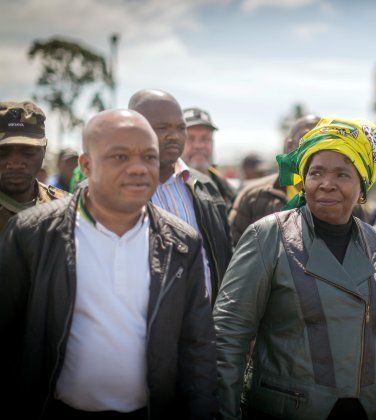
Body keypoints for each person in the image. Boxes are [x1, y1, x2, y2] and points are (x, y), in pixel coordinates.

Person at [0, 109, 217, 418]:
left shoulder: (183, 243)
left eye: (149, 157)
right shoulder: (32, 234)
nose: (139, 169)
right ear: (86, 165)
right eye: (120, 157)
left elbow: (197, 347)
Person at [214, 117, 376, 419]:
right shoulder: (267, 236)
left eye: (342, 174)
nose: (326, 183)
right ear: (302, 180)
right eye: (316, 172)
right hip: (290, 409)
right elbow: (229, 334)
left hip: (370, 410)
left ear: (361, 187)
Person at [129, 89, 232, 304]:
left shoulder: (205, 187)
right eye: (163, 128)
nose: (174, 135)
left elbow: (225, 262)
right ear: (136, 130)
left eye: (180, 128)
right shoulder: (113, 191)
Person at [228, 115, 320, 246]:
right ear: (289, 146)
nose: (313, 146)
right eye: (305, 138)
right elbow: (234, 249)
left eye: (321, 140)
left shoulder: (341, 198)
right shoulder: (254, 196)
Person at [0, 101, 66, 232]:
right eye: (2, 152)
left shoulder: (65, 209)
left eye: (27, 151)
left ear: (44, 149)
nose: (15, 163)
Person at [182, 106, 236, 208]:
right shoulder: (167, 188)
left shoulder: (227, 189)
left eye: (205, 138)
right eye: (190, 138)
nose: (199, 145)